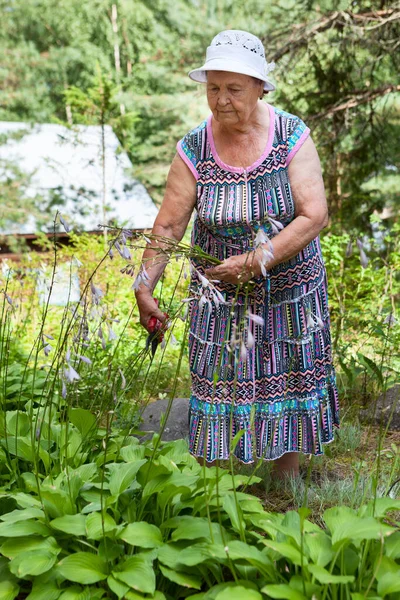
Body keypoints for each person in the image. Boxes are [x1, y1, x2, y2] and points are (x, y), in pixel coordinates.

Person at [135, 30, 339, 478]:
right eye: (213, 88)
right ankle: (211, 487)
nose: (221, 99)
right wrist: (143, 284)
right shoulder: (194, 148)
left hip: (290, 288)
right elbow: (169, 225)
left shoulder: (291, 136)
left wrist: (256, 260)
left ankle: (285, 481)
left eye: (233, 88)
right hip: (219, 294)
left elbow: (314, 215)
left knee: (291, 372)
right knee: (215, 381)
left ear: (260, 87)